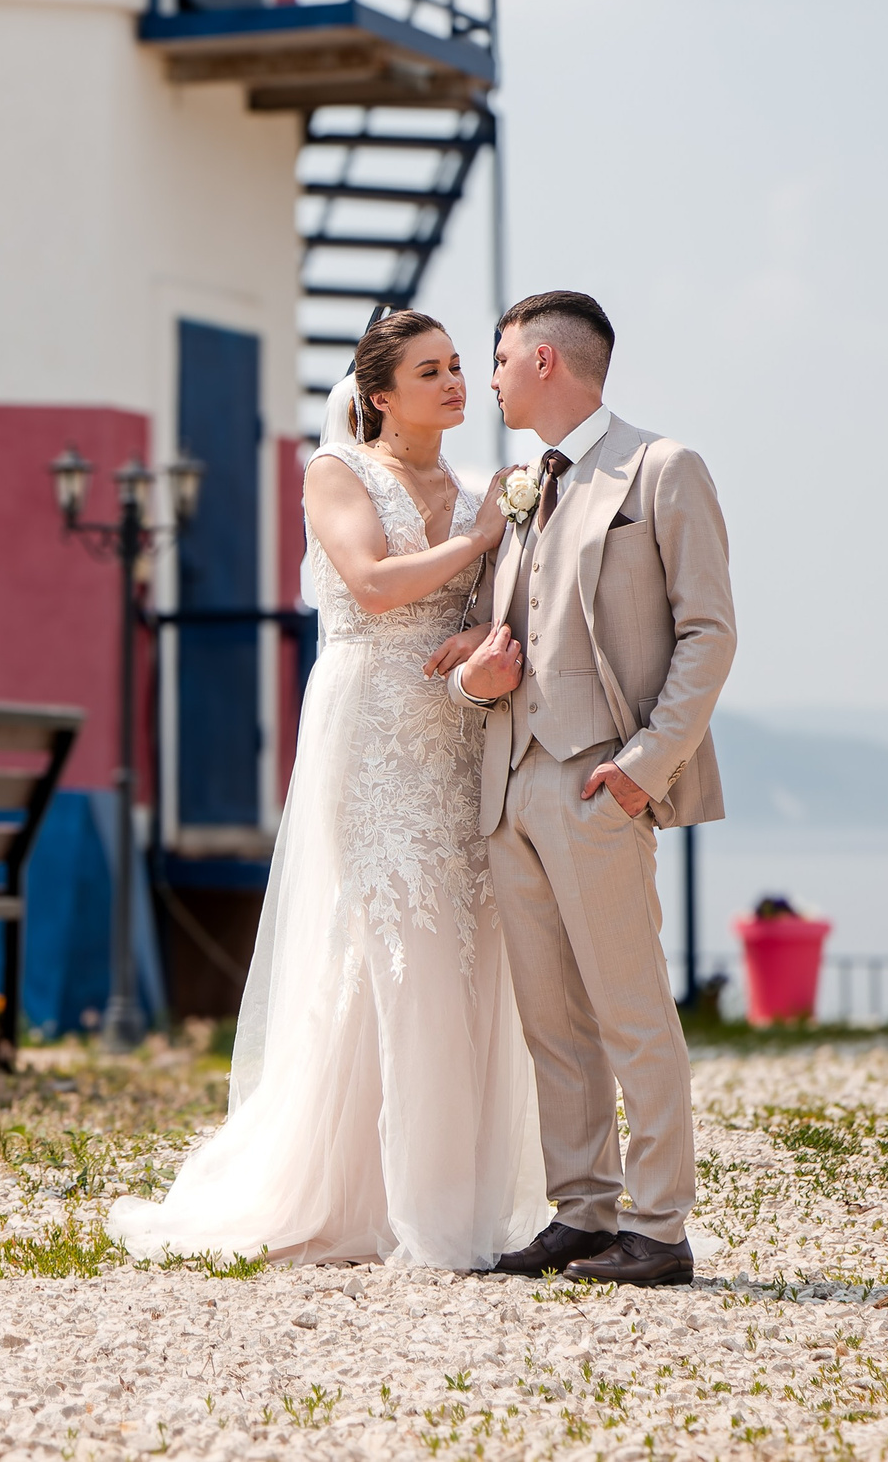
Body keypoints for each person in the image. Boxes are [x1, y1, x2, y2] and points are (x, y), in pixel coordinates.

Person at [108, 310, 549, 1269]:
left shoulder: (479, 490)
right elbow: (375, 581)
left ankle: (433, 1193)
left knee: (461, 942)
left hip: (453, 730)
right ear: (379, 394)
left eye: (460, 365)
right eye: (429, 369)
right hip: (369, 728)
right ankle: (363, 1198)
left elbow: (487, 608)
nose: (455, 381)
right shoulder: (340, 475)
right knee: (394, 933)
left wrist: (480, 632)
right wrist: (477, 540)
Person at [431, 289, 734, 1287]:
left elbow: (707, 634)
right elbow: (508, 627)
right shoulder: (519, 485)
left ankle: (659, 1227)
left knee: (629, 1008)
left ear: (546, 362)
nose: (489, 378)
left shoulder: (660, 468)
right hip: (509, 781)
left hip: (600, 780)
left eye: (501, 357)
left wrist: (644, 768)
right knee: (549, 1019)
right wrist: (479, 672)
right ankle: (582, 1211)